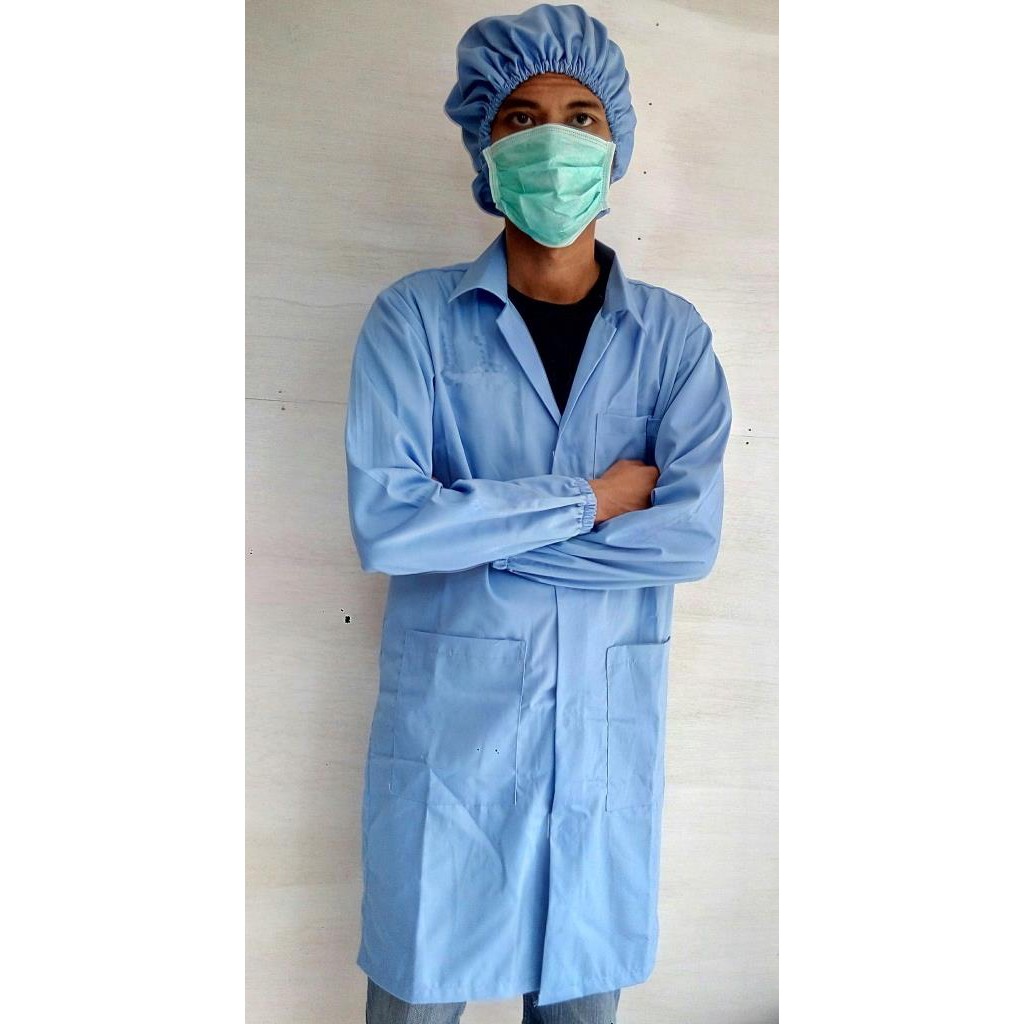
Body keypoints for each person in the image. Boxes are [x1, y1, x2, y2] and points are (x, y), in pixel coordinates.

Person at [344, 4, 732, 1022]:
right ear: (485, 144)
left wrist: (484, 537)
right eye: (521, 118)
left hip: (600, 751)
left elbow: (686, 539)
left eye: (580, 117)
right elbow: (389, 524)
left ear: (615, 146)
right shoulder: (414, 321)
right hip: (452, 755)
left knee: (580, 1000)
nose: (552, 140)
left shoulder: (672, 341)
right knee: (417, 996)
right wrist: (592, 500)